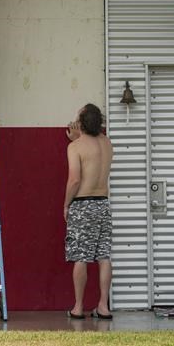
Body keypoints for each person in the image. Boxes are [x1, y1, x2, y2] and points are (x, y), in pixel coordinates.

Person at [64, 103, 114, 320]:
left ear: (82, 123)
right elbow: (94, 149)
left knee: (81, 257)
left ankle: (78, 307)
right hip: (103, 203)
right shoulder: (107, 143)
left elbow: (75, 180)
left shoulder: (75, 147)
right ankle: (103, 306)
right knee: (104, 256)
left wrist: (66, 204)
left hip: (83, 204)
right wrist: (80, 136)